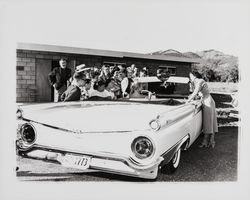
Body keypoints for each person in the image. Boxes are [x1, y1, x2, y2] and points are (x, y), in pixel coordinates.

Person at [187, 71, 218, 148]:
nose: (190, 78)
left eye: (190, 76)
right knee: (209, 122)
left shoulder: (200, 81)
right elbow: (197, 93)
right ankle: (210, 141)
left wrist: (187, 101)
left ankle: (206, 142)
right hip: (206, 100)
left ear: (194, 76)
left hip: (207, 101)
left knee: (208, 122)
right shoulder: (198, 82)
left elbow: (195, 92)